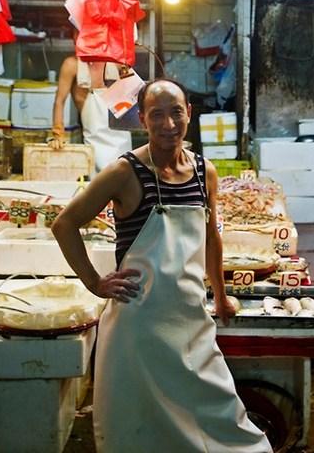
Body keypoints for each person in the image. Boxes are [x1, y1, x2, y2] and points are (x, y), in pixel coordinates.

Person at [51, 78, 272, 453]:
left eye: (176, 113)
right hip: (138, 329)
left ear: (190, 114)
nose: (168, 124)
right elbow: (65, 224)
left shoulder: (206, 172)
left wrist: (221, 296)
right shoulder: (124, 172)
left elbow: (211, 238)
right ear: (141, 118)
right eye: (156, 115)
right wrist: (95, 283)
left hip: (189, 320)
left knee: (219, 419)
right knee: (139, 430)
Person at [51, 55, 132, 173]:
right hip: (93, 142)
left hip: (121, 140)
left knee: (125, 181)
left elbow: (134, 97)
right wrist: (58, 134)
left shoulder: (119, 62)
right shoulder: (72, 65)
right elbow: (59, 101)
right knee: (97, 184)